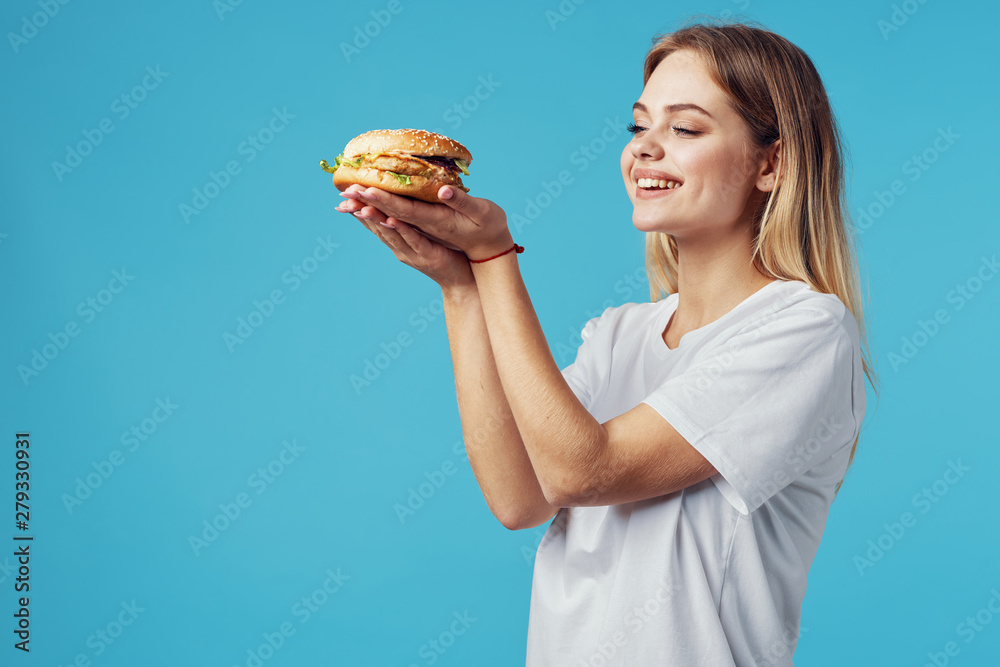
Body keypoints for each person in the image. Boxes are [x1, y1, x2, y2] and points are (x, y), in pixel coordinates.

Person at [335, 20, 878, 667]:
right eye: (639, 126)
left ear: (772, 162)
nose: (645, 150)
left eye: (684, 128)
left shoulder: (805, 330)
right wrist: (461, 284)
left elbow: (581, 471)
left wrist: (497, 256)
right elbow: (520, 497)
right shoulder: (622, 332)